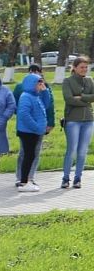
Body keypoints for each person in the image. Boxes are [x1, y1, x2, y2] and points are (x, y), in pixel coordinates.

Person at [12, 64, 54, 187]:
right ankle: (23, 180)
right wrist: (36, 127)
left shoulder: (36, 95)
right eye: (37, 83)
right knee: (27, 154)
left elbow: (46, 105)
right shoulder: (26, 96)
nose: (39, 84)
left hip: (36, 131)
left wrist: (44, 90)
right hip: (29, 131)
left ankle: (28, 179)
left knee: (32, 154)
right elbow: (24, 114)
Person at [61, 55, 94, 189]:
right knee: (72, 150)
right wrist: (87, 100)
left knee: (82, 151)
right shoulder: (67, 81)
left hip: (89, 120)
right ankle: (65, 178)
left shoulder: (90, 80)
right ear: (74, 68)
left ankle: (77, 178)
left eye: (86, 67)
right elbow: (69, 99)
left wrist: (81, 97)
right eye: (81, 67)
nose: (84, 70)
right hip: (73, 120)